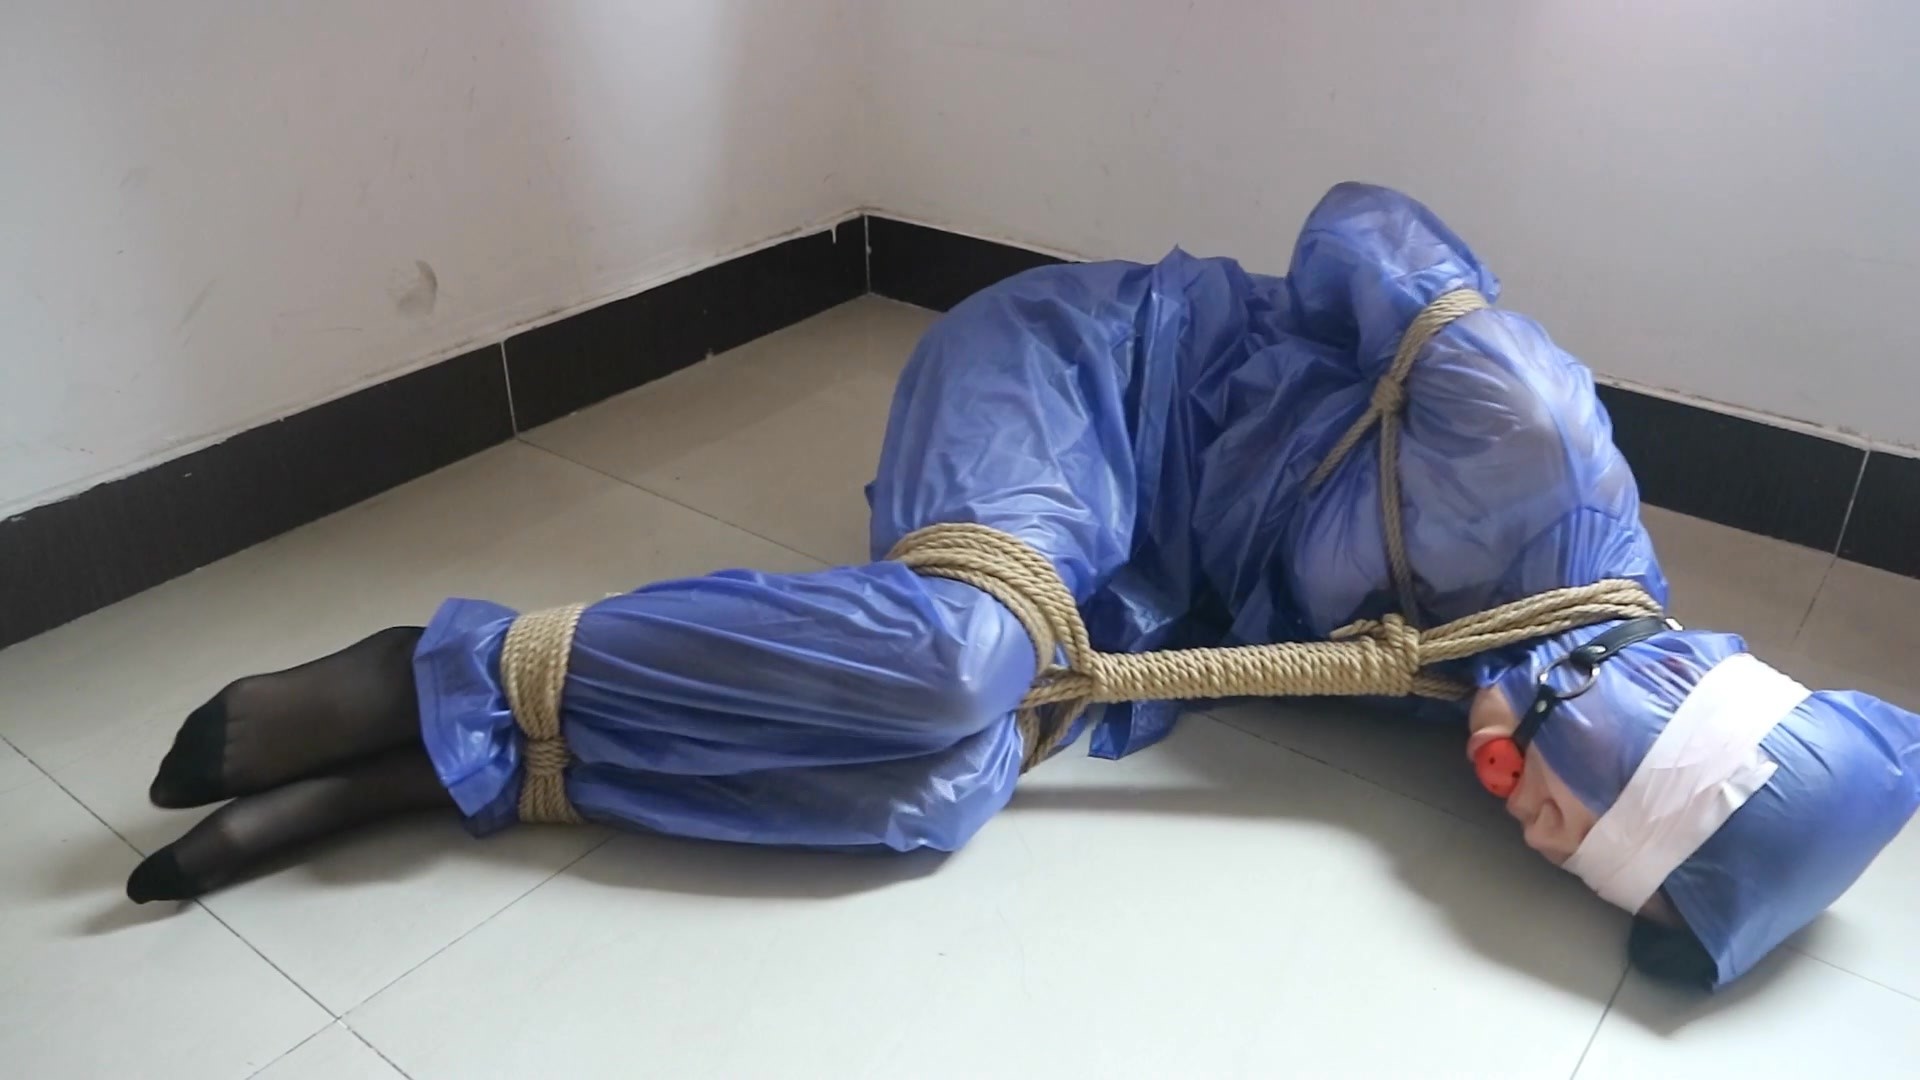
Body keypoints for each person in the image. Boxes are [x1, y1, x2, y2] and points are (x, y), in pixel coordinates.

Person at [131, 184, 1920, 992]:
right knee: (952, 663)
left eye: (1575, 871)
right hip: (1087, 375)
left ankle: (459, 772)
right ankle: (425, 671)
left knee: (938, 791)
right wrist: (1369, 353)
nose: (1538, 841)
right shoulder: (1534, 445)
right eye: (1589, 831)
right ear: (1649, 724)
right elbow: (1359, 223)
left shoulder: (1530, 682)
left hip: (1138, 586)